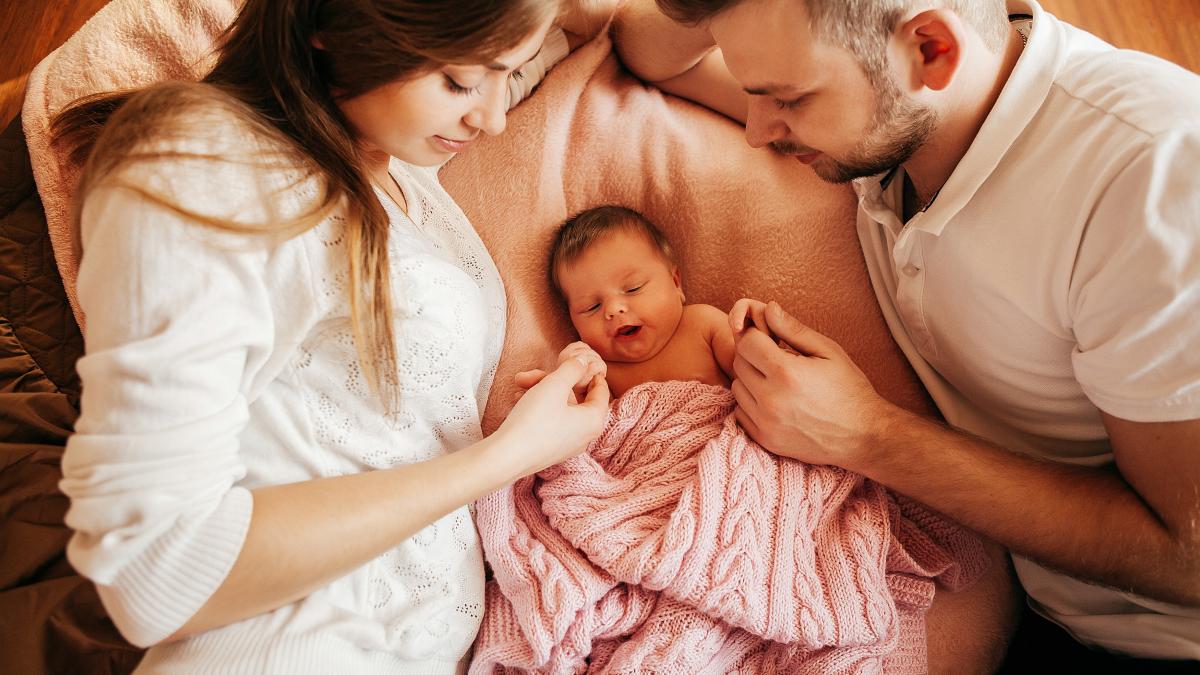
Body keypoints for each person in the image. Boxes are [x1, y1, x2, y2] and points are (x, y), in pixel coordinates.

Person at [612, 0, 1200, 669]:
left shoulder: (1158, 180)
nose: (756, 131)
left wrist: (865, 434)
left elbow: (1188, 558)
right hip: (1020, 591)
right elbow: (646, 45)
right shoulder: (902, 114)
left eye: (789, 98)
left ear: (931, 50)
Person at [52, 0, 617, 672]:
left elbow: (610, 30)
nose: (492, 117)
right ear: (337, 27)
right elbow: (154, 576)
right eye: (463, 82)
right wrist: (506, 456)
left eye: (508, 74)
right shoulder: (201, 166)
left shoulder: (388, 152)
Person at [538, 205, 736, 397]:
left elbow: (758, 365)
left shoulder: (703, 325)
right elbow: (586, 424)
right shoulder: (601, 372)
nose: (614, 309)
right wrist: (573, 381)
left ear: (676, 283)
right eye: (592, 307)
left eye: (634, 288)